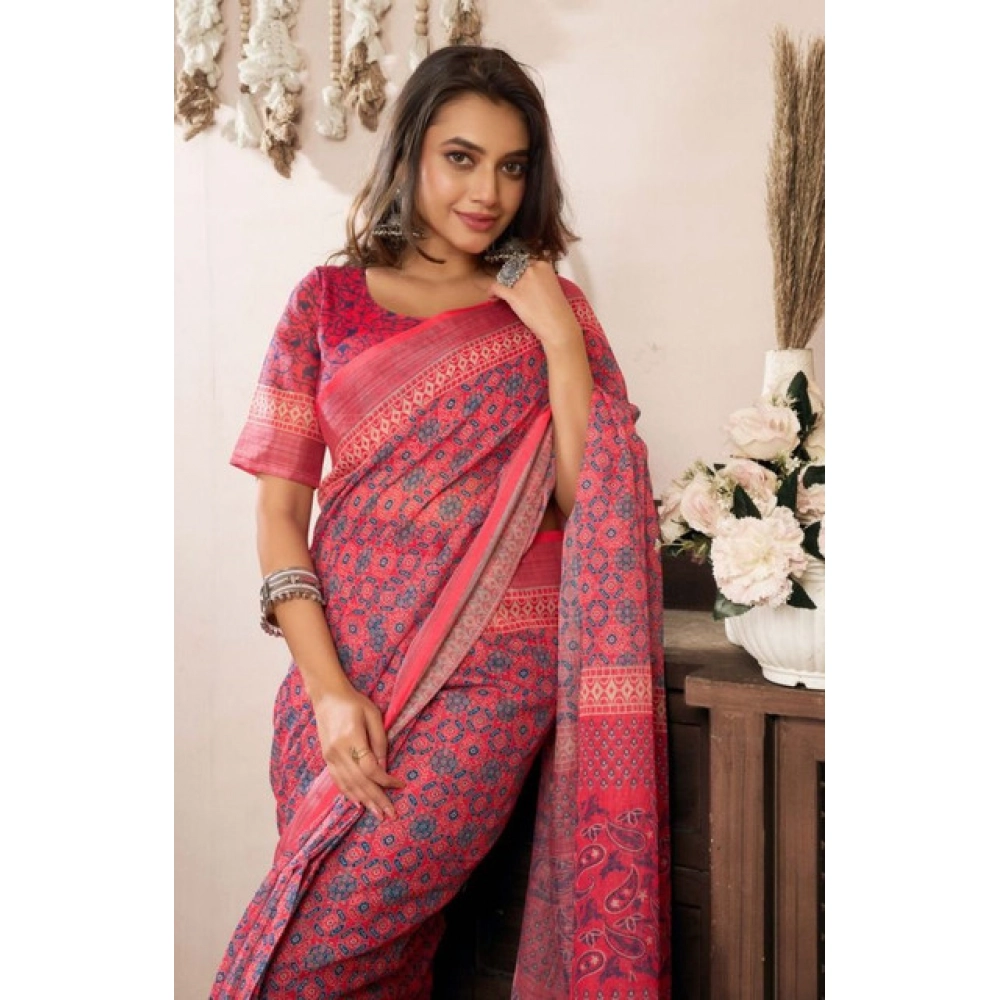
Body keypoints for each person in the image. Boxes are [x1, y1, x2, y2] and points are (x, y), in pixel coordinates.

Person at [212, 44, 670, 1000]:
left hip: (492, 676)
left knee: (312, 960)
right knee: (383, 961)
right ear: (412, 152)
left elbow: (592, 507)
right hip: (335, 675)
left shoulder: (552, 313)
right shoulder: (326, 302)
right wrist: (329, 692)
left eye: (512, 166)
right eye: (461, 158)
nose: (488, 192)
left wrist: (558, 338)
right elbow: (280, 512)